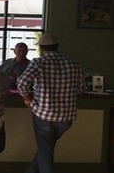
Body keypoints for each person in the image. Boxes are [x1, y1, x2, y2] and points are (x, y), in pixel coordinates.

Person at [17, 34, 86, 173]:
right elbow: (82, 88)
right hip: (67, 117)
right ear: (57, 46)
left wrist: (26, 99)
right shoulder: (74, 63)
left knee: (45, 151)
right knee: (46, 148)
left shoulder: (39, 62)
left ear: (42, 48)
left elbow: (21, 82)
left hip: (45, 115)